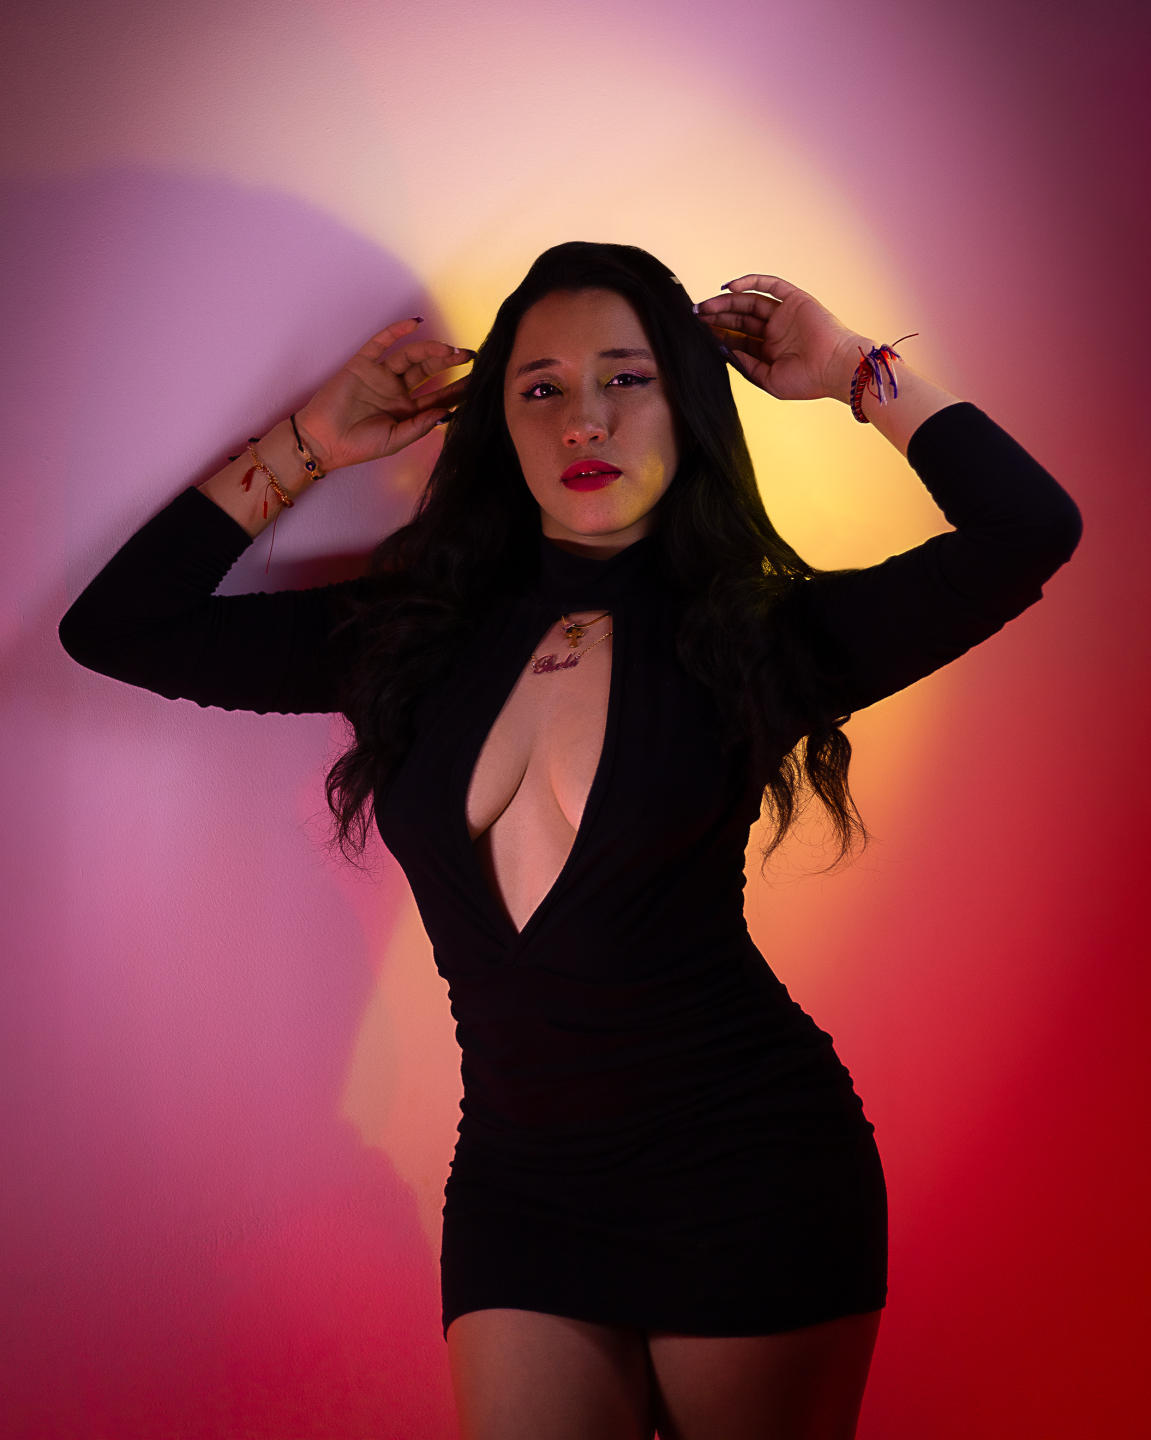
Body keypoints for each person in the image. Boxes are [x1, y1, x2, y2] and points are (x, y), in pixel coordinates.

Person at [59, 241, 1081, 1440]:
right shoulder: (410, 636)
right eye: (538, 387)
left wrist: (854, 368)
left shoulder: (760, 638)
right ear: (499, 422)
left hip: (744, 1172)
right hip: (519, 1187)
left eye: (625, 378)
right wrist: (314, 441)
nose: (581, 419)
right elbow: (119, 627)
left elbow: (1027, 528)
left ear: (686, 403)